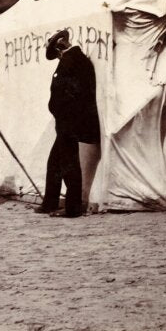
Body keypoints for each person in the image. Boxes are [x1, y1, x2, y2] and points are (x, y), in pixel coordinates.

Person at [35, 29, 100, 218]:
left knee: (69, 165)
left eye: (57, 52)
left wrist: (61, 112)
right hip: (66, 122)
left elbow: (73, 94)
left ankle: (72, 208)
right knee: (55, 163)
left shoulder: (73, 62)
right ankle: (50, 202)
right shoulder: (74, 61)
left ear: (61, 46)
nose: (57, 57)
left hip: (69, 123)